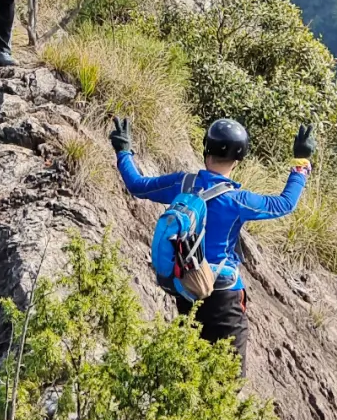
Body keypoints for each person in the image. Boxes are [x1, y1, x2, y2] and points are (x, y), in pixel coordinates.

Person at [109, 113, 316, 371]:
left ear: (206, 148)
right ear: (238, 160)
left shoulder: (181, 184)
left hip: (187, 287)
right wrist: (301, 163)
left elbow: (137, 185)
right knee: (226, 379)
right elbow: (284, 203)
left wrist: (123, 151)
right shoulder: (238, 200)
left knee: (192, 369)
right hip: (222, 296)